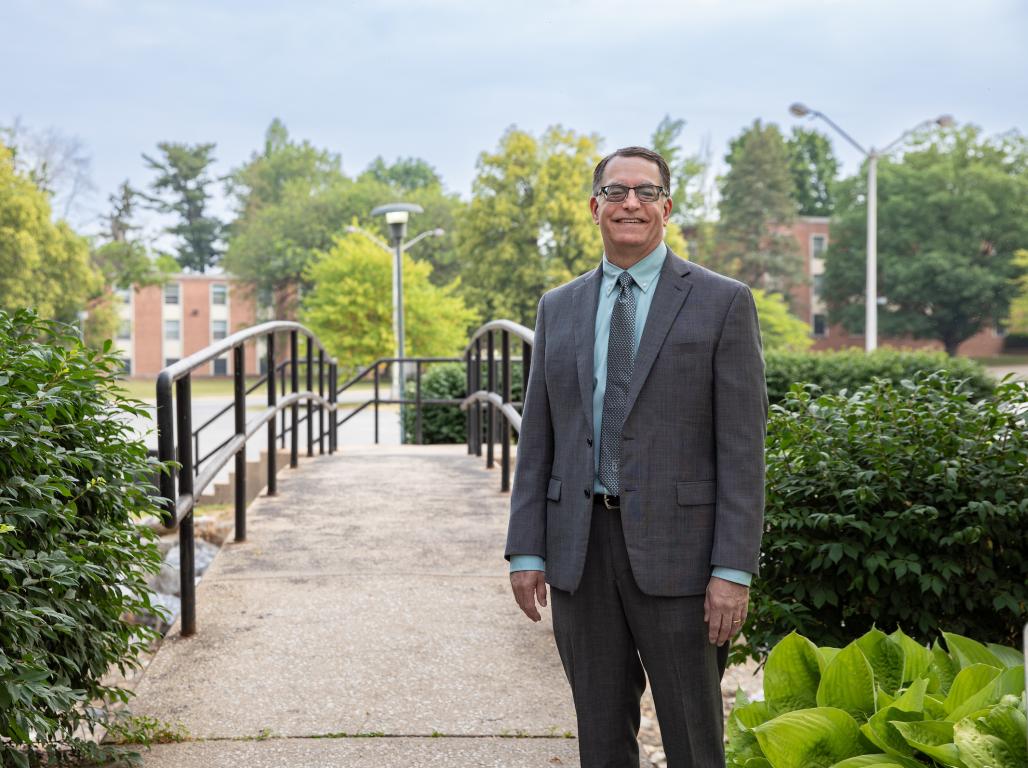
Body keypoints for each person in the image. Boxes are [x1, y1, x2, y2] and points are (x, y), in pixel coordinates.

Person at [505, 146, 768, 767]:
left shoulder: (722, 302)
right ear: (595, 207)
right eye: (617, 192)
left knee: (694, 739)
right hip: (580, 551)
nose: (631, 203)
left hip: (683, 557)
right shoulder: (558, 307)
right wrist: (526, 548)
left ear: (666, 208)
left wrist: (732, 570)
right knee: (599, 738)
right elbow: (538, 436)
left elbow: (741, 450)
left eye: (646, 193)